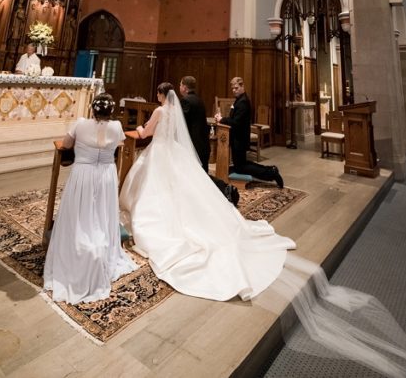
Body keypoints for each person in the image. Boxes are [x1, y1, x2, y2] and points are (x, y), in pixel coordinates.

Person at [120, 83, 296, 301]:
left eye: (157, 93)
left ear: (161, 94)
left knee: (154, 186)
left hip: (159, 151)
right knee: (181, 186)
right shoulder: (174, 111)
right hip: (173, 151)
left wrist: (139, 129)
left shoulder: (159, 110)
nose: (156, 96)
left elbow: (147, 132)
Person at [43, 93, 137, 303]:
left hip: (84, 174)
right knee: (101, 211)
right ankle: (101, 244)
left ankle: (77, 244)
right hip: (105, 175)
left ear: (93, 109)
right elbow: (120, 144)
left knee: (80, 211)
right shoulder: (116, 127)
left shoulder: (80, 124)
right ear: (110, 111)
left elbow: (66, 145)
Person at [179, 76, 239, 206]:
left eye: (180, 85)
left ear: (184, 87)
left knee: (200, 176)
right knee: (201, 176)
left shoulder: (186, 101)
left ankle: (225, 188)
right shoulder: (199, 100)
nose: (179, 88)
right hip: (203, 144)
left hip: (194, 146)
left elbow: (181, 124)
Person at [214, 77, 283, 188]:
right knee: (241, 165)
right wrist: (222, 118)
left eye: (236, 88)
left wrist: (222, 120)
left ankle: (271, 173)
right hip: (237, 138)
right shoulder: (239, 100)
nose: (234, 90)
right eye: (233, 88)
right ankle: (270, 170)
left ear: (242, 87)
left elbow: (236, 122)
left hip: (240, 139)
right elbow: (235, 118)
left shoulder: (243, 102)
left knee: (241, 167)